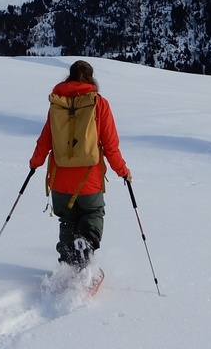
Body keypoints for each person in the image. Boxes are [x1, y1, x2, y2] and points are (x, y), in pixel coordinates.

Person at [29, 60, 131, 268]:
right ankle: (86, 244)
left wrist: (34, 163)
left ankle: (68, 262)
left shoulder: (58, 104)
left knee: (67, 219)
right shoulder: (99, 104)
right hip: (89, 179)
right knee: (92, 214)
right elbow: (110, 146)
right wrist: (123, 171)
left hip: (60, 180)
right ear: (91, 78)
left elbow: (45, 140)